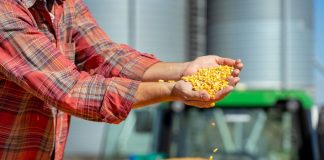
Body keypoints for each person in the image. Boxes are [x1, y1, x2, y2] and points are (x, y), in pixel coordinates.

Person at [0, 0, 243, 159]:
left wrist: (185, 70)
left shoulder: (65, 6)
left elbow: (106, 56)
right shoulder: (5, 14)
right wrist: (174, 91)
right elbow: (72, 89)